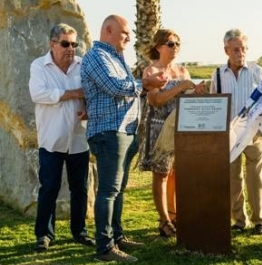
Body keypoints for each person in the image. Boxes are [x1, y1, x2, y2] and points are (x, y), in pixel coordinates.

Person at [81, 15, 167, 263]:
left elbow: (126, 90)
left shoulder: (116, 58)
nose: (129, 37)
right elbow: (116, 88)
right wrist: (146, 83)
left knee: (117, 190)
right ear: (108, 30)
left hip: (125, 132)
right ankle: (105, 248)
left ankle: (117, 237)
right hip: (109, 133)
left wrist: (144, 85)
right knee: (108, 191)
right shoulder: (97, 56)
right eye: (125, 32)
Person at [29, 23, 95, 251]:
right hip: (51, 140)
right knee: (49, 187)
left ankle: (80, 232)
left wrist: (87, 108)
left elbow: (90, 95)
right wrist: (73, 94)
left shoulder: (82, 65)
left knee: (80, 188)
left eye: (74, 44)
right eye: (66, 43)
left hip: (79, 139)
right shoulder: (39, 65)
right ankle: (44, 235)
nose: (71, 49)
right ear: (52, 44)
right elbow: (38, 94)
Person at [140, 29, 205, 238]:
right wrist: (183, 87)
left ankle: (176, 214)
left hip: (182, 127)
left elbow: (188, 99)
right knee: (161, 174)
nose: (175, 47)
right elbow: (156, 100)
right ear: (158, 46)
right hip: (159, 127)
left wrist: (197, 91)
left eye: (177, 43)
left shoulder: (183, 71)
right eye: (170, 43)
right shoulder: (151, 71)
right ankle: (163, 220)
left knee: (178, 173)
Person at [209, 29, 262, 235]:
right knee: (233, 179)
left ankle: (260, 220)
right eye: (235, 49)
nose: (240, 53)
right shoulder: (217, 74)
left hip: (254, 134)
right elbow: (215, 103)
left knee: (255, 177)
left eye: (243, 49)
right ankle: (239, 220)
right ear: (226, 50)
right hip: (228, 136)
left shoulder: (258, 72)